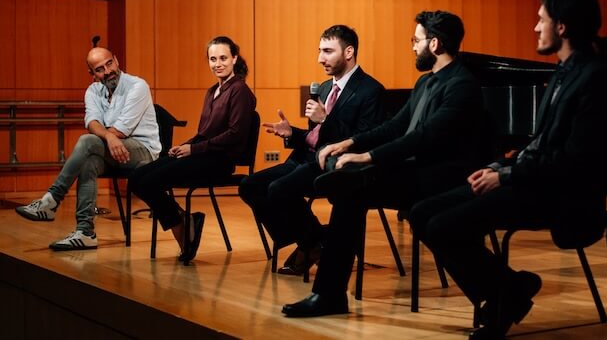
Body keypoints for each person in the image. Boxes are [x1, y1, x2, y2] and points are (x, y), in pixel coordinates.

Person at [409, 0, 607, 339]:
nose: (535, 28)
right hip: (537, 181)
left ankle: (504, 294)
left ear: (561, 26)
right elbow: (542, 145)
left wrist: (508, 175)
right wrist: (501, 167)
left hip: (565, 196)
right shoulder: (565, 73)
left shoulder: (596, 78)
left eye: (540, 19)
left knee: (442, 226)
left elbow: (575, 161)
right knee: (421, 214)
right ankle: (506, 291)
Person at [281, 10, 492, 317]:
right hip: (420, 172)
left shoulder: (462, 85)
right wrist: (349, 142)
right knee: (349, 190)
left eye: (416, 40)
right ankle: (330, 295)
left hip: (444, 177)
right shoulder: (425, 83)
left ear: (434, 44)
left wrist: (368, 156)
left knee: (351, 184)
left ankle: (328, 292)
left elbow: (423, 137)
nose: (413, 47)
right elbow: (395, 126)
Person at [239, 25, 385, 275]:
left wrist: (325, 119)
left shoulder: (371, 90)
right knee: (249, 186)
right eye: (319, 51)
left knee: (279, 189)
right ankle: (316, 242)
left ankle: (312, 246)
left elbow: (363, 141)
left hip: (334, 165)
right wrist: (293, 133)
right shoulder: (326, 88)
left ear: (349, 52)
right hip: (305, 158)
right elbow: (317, 136)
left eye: (328, 51)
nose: (320, 58)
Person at [15, 47, 161, 250]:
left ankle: (51, 200)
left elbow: (120, 131)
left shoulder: (138, 86)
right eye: (100, 69)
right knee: (89, 162)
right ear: (92, 74)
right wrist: (108, 136)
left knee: (87, 142)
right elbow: (92, 123)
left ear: (117, 61)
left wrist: (108, 134)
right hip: (112, 152)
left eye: (109, 63)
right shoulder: (93, 91)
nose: (108, 71)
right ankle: (85, 232)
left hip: (143, 152)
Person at [128, 36, 256, 262]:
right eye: (213, 59)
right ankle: (184, 219)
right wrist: (185, 145)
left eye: (223, 58)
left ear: (234, 58)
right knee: (137, 178)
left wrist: (194, 150)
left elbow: (235, 134)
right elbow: (205, 132)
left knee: (149, 182)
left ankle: (182, 228)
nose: (218, 64)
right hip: (202, 155)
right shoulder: (211, 91)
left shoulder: (240, 91)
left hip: (219, 162)